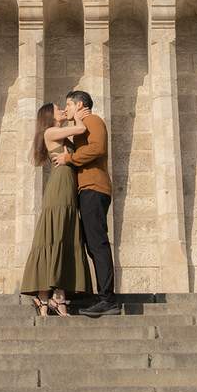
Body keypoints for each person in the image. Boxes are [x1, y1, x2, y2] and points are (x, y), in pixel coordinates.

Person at [19, 102, 91, 317]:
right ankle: (45, 298)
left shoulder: (59, 134)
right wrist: (78, 114)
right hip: (60, 186)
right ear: (50, 116)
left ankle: (55, 297)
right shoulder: (51, 131)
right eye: (59, 108)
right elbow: (81, 129)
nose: (62, 111)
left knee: (63, 235)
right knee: (54, 234)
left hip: (67, 186)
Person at [54, 89, 117, 317]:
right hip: (86, 190)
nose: (67, 109)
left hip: (94, 188)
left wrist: (68, 158)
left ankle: (107, 299)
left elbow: (97, 148)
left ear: (80, 104)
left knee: (98, 244)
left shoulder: (93, 121)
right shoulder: (83, 125)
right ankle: (99, 294)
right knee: (91, 244)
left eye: (69, 105)